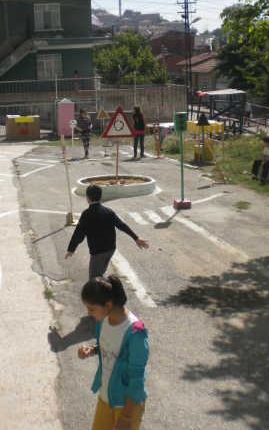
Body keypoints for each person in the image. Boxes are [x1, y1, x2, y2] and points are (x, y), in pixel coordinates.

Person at [78, 275, 149, 430]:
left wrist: (126, 416)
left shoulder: (135, 333)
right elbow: (108, 344)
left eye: (91, 309)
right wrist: (93, 350)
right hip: (106, 398)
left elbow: (137, 378)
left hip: (128, 406)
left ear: (108, 304)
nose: (89, 314)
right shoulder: (103, 319)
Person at [65, 184, 149, 279]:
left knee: (95, 279)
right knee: (100, 273)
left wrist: (71, 249)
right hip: (110, 248)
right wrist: (136, 238)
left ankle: (101, 292)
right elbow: (121, 225)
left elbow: (79, 234)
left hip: (98, 251)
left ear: (88, 198)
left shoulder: (87, 214)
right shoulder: (108, 211)